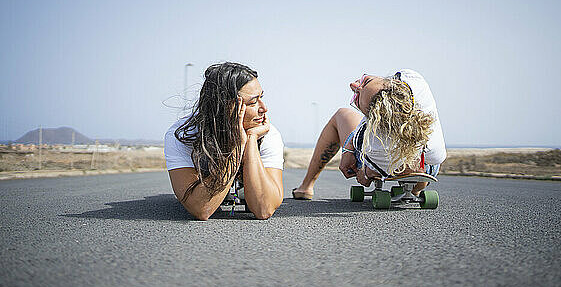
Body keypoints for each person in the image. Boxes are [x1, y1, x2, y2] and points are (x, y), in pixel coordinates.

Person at [292, 69, 446, 200]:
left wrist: (352, 155)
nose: (353, 85)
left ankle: (306, 186)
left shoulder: (374, 144)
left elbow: (366, 175)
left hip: (387, 166)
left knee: (341, 114)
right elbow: (437, 158)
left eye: (357, 95)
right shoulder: (413, 80)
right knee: (420, 157)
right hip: (427, 167)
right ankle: (415, 187)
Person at [164, 62, 284, 220]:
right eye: (253, 102)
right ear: (225, 107)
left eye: (261, 97)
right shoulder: (182, 135)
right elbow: (201, 209)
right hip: (204, 184)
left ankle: (240, 188)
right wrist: (238, 143)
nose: (264, 108)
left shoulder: (267, 133)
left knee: (252, 199)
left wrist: (251, 139)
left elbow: (264, 209)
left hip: (240, 186)